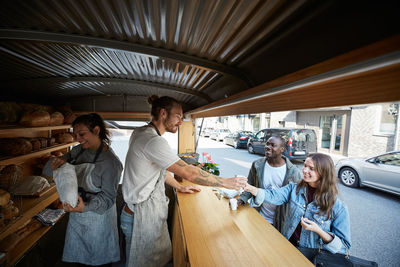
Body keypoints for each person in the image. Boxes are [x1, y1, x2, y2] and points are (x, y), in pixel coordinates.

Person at [121, 95, 247, 267]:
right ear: (163, 113)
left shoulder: (141, 132)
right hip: (139, 217)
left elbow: (157, 171)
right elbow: (188, 171)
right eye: (178, 116)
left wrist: (179, 187)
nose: (181, 122)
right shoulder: (153, 141)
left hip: (136, 213)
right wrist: (224, 182)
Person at [49, 113, 123, 267]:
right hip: (77, 215)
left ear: (96, 130)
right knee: (79, 261)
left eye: (82, 134)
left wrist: (85, 207)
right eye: (75, 134)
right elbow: (65, 160)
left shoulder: (110, 163)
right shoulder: (79, 150)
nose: (77, 138)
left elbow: (108, 199)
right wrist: (59, 162)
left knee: (98, 262)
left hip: (99, 220)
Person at [243, 153, 351, 254]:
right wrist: (250, 188)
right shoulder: (294, 189)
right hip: (287, 248)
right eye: (305, 166)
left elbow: (344, 247)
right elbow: (272, 195)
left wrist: (319, 231)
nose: (304, 170)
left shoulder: (338, 206)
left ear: (324, 173)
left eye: (311, 168)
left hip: (312, 257)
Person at [237, 136, 302, 232]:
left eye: (273, 145)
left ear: (282, 149)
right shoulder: (257, 165)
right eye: (267, 144)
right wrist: (241, 199)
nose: (268, 147)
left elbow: (297, 200)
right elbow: (250, 185)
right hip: (258, 215)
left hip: (280, 222)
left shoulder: (293, 172)